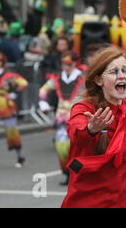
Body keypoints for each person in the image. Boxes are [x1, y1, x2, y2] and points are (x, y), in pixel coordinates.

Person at [61, 46, 126, 208]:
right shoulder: (84, 108)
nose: (121, 76)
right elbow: (76, 133)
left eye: (125, 70)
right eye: (114, 72)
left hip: (123, 203)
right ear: (99, 80)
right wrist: (91, 129)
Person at [38, 52, 84, 185]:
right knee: (61, 148)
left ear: (75, 63)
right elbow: (43, 90)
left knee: (75, 149)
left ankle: (76, 176)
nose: (65, 66)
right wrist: (43, 102)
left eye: (68, 64)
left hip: (78, 119)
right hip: (61, 118)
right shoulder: (57, 78)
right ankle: (67, 173)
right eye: (63, 63)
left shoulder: (83, 79)